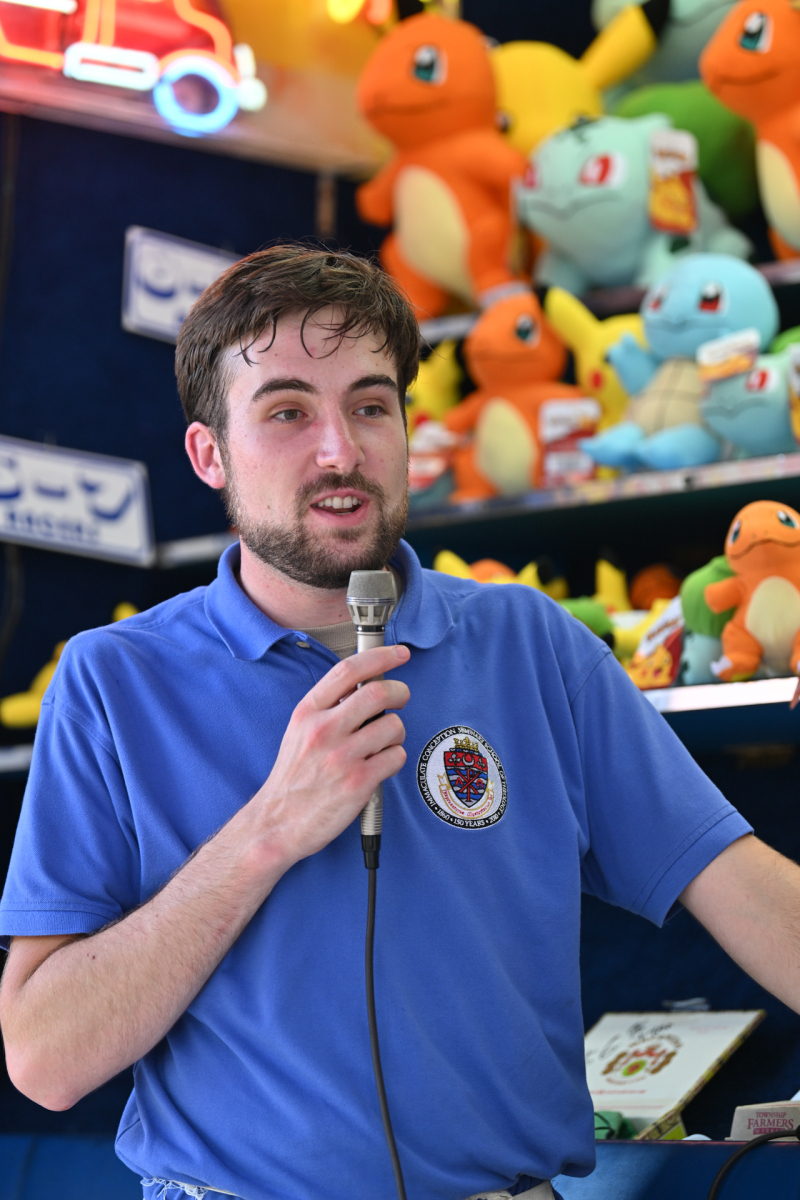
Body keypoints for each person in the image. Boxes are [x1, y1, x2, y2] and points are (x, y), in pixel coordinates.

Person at [0, 245, 798, 1200]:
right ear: (209, 454)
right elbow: (46, 1059)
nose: (340, 451)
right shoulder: (113, 679)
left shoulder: (532, 643)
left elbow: (746, 893)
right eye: (288, 412)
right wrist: (269, 829)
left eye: (371, 406)